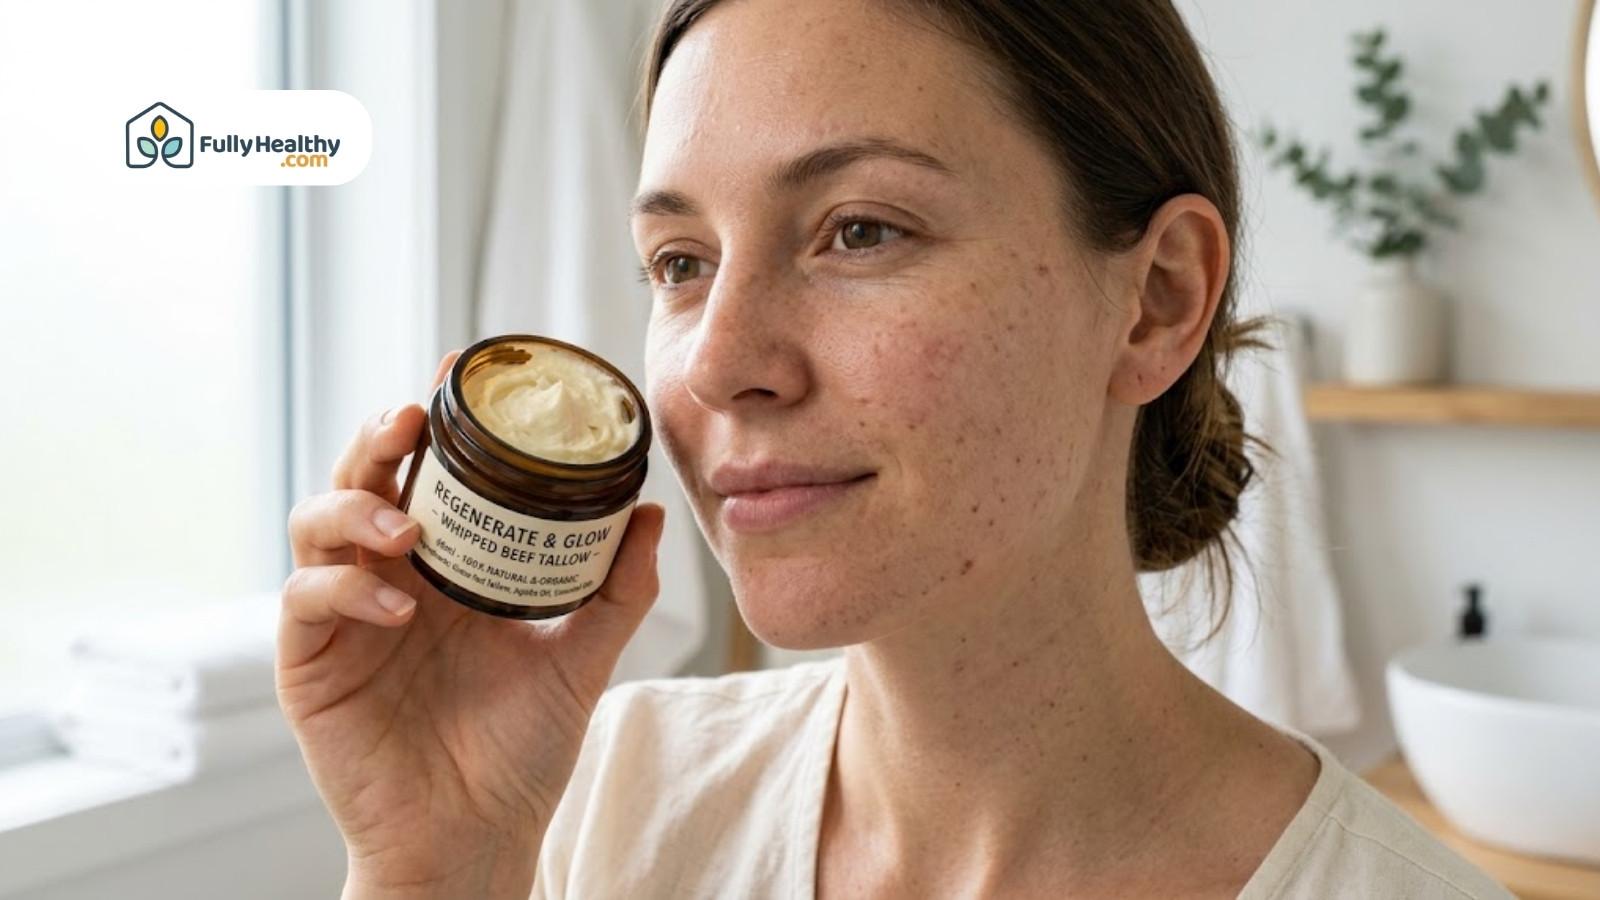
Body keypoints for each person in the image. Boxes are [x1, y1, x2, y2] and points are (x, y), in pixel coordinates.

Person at [278, 1, 1512, 897]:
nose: (715, 363)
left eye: (858, 231)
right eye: (681, 264)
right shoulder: (602, 807)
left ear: (1155, 302)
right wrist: (438, 868)